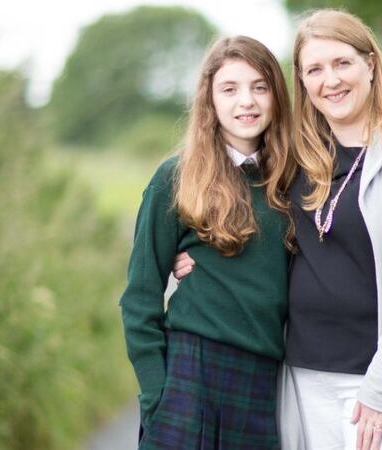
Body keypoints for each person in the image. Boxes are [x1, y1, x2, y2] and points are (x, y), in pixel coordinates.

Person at [175, 9, 382, 450]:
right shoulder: (299, 157)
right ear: (302, 82)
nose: (330, 80)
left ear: (371, 65)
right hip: (304, 382)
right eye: (314, 70)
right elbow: (238, 216)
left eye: (342, 63)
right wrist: (191, 254)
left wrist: (381, 387)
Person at [119, 35, 294, 450]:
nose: (246, 102)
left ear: (276, 95)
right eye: (230, 89)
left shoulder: (291, 183)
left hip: (259, 378)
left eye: (259, 87)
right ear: (210, 101)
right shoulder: (177, 178)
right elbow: (140, 298)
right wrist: (155, 394)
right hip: (188, 374)